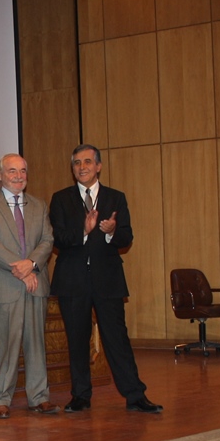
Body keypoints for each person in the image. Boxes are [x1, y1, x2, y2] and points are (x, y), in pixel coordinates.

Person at [49, 144, 162, 414]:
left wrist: (111, 232)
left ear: (98, 166)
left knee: (117, 339)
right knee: (77, 340)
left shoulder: (115, 198)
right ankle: (80, 396)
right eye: (77, 163)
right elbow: (58, 239)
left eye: (87, 162)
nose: (82, 167)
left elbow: (127, 237)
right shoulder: (60, 198)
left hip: (108, 279)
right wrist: (84, 230)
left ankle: (135, 396)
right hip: (72, 281)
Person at [0, 154, 57, 420]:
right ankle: (2, 399)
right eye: (12, 171)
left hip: (36, 284)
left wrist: (32, 264)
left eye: (23, 171)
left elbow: (47, 240)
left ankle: (39, 397)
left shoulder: (39, 205)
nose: (18, 176)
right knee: (7, 346)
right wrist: (22, 270)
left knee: (36, 344)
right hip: (5, 286)